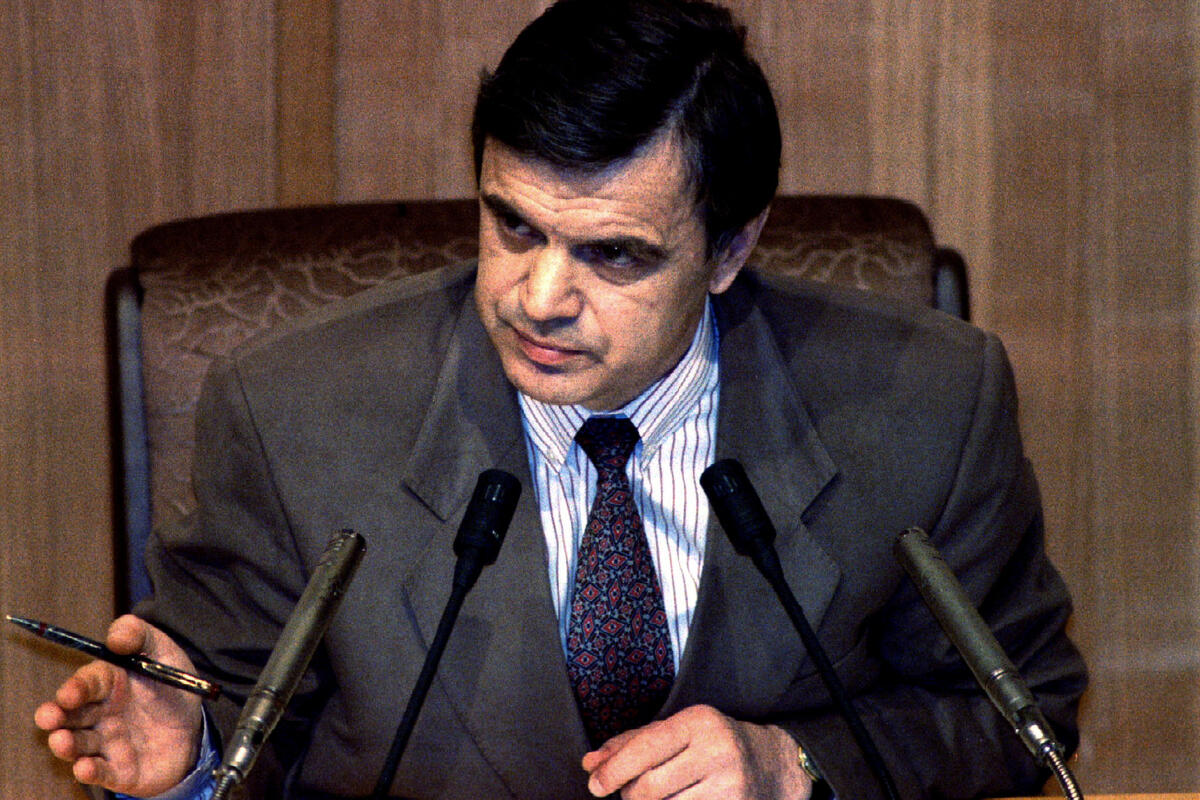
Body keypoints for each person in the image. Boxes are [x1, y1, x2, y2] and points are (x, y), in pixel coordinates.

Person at [35, 1, 1087, 798]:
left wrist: (798, 764)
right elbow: (234, 708)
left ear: (731, 249)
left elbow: (1019, 712)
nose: (538, 297)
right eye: (514, 227)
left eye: (613, 254)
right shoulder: (293, 410)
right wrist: (191, 751)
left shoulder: (927, 405)